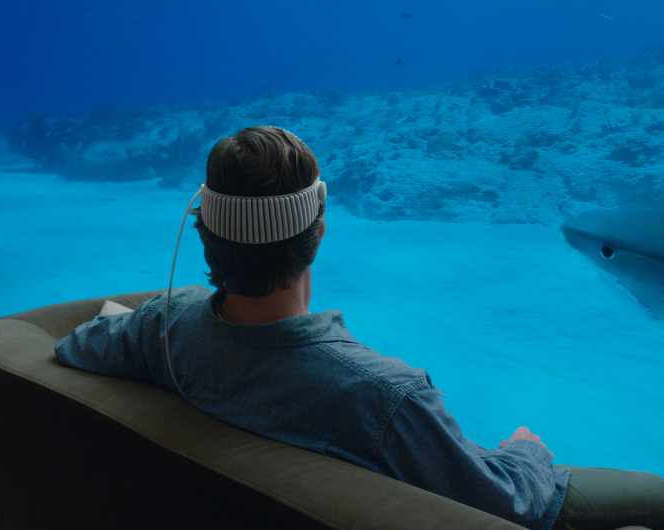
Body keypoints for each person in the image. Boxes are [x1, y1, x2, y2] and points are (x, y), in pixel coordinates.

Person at [55, 126, 664, 530]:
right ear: (319, 231)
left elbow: (73, 346)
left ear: (204, 231)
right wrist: (526, 449)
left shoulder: (162, 326)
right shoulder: (383, 395)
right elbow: (510, 504)